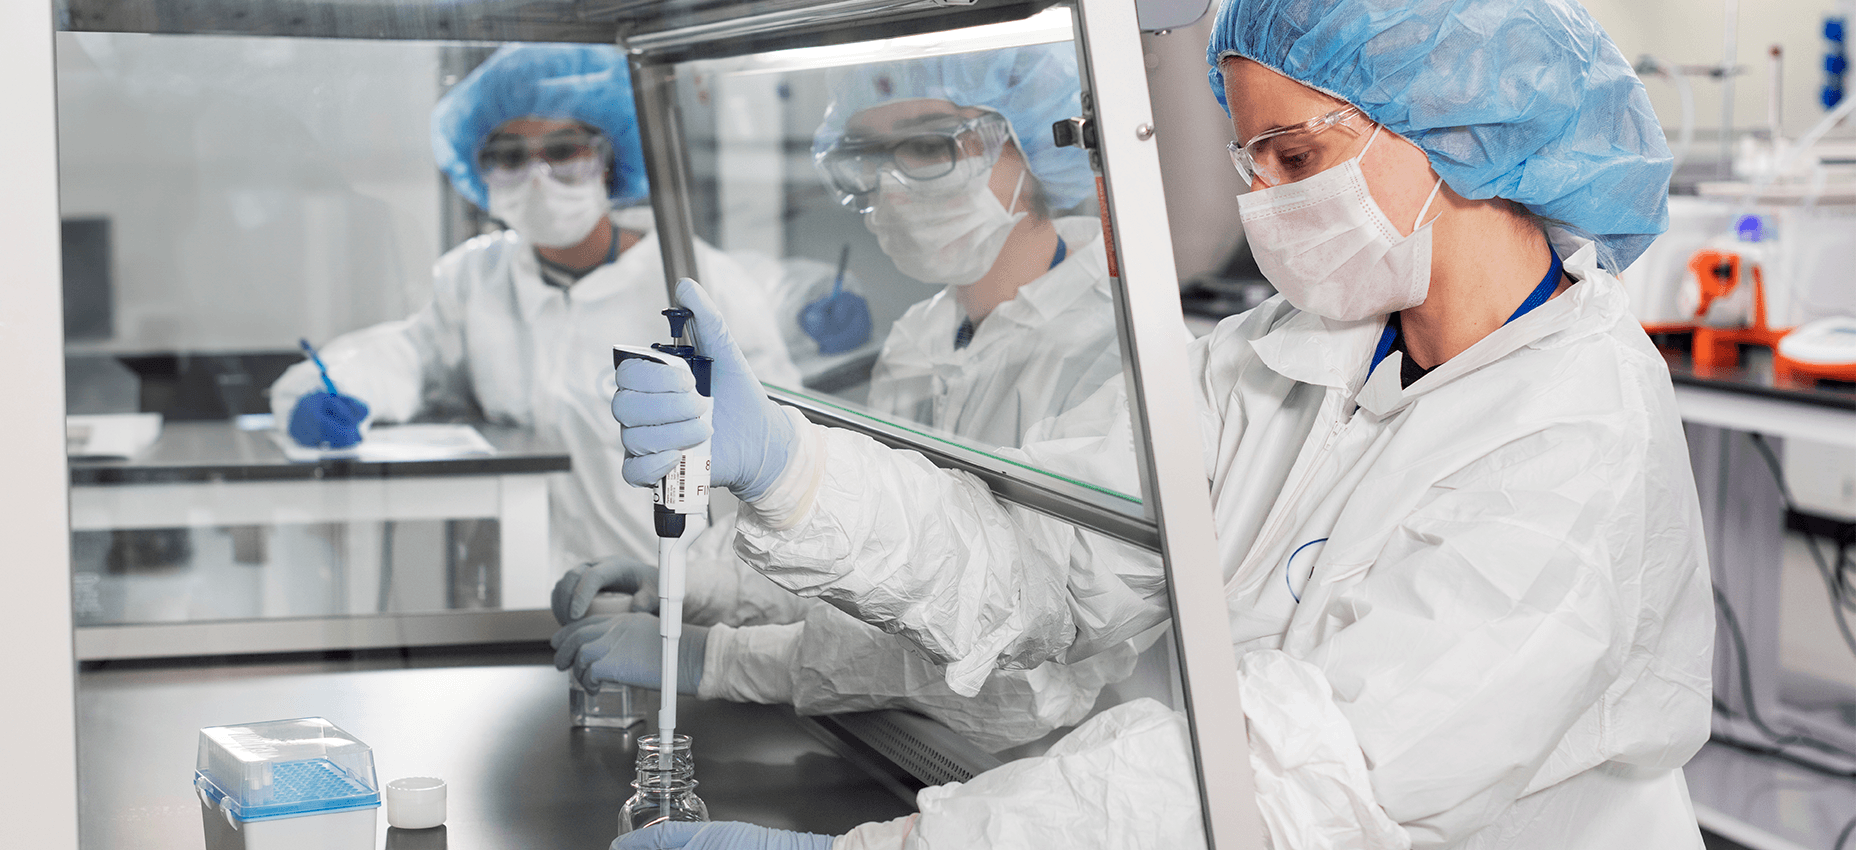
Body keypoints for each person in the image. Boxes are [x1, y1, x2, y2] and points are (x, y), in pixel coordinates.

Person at [608, 0, 1714, 847]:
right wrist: (791, 471)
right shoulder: (1274, 356)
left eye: (1295, 158)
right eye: (1252, 164)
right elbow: (1040, 561)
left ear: (1463, 133)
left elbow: (1307, 771)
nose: (1266, 204)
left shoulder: (1577, 427)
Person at [554, 44, 1151, 752]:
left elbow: (1024, 667)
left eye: (929, 146)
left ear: (1033, 144)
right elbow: (873, 558)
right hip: (907, 743)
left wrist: (712, 660)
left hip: (1055, 773)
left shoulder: (1115, 355)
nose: (891, 185)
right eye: (867, 156)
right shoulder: (924, 334)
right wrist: (703, 583)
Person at [266, 44, 797, 572]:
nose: (538, 175)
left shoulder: (693, 282)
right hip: (530, 593)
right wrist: (327, 390)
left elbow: (777, 449)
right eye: (510, 157)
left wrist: (716, 601)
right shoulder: (476, 278)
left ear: (610, 159)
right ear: (482, 171)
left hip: (680, 594)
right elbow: (409, 355)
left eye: (564, 150)